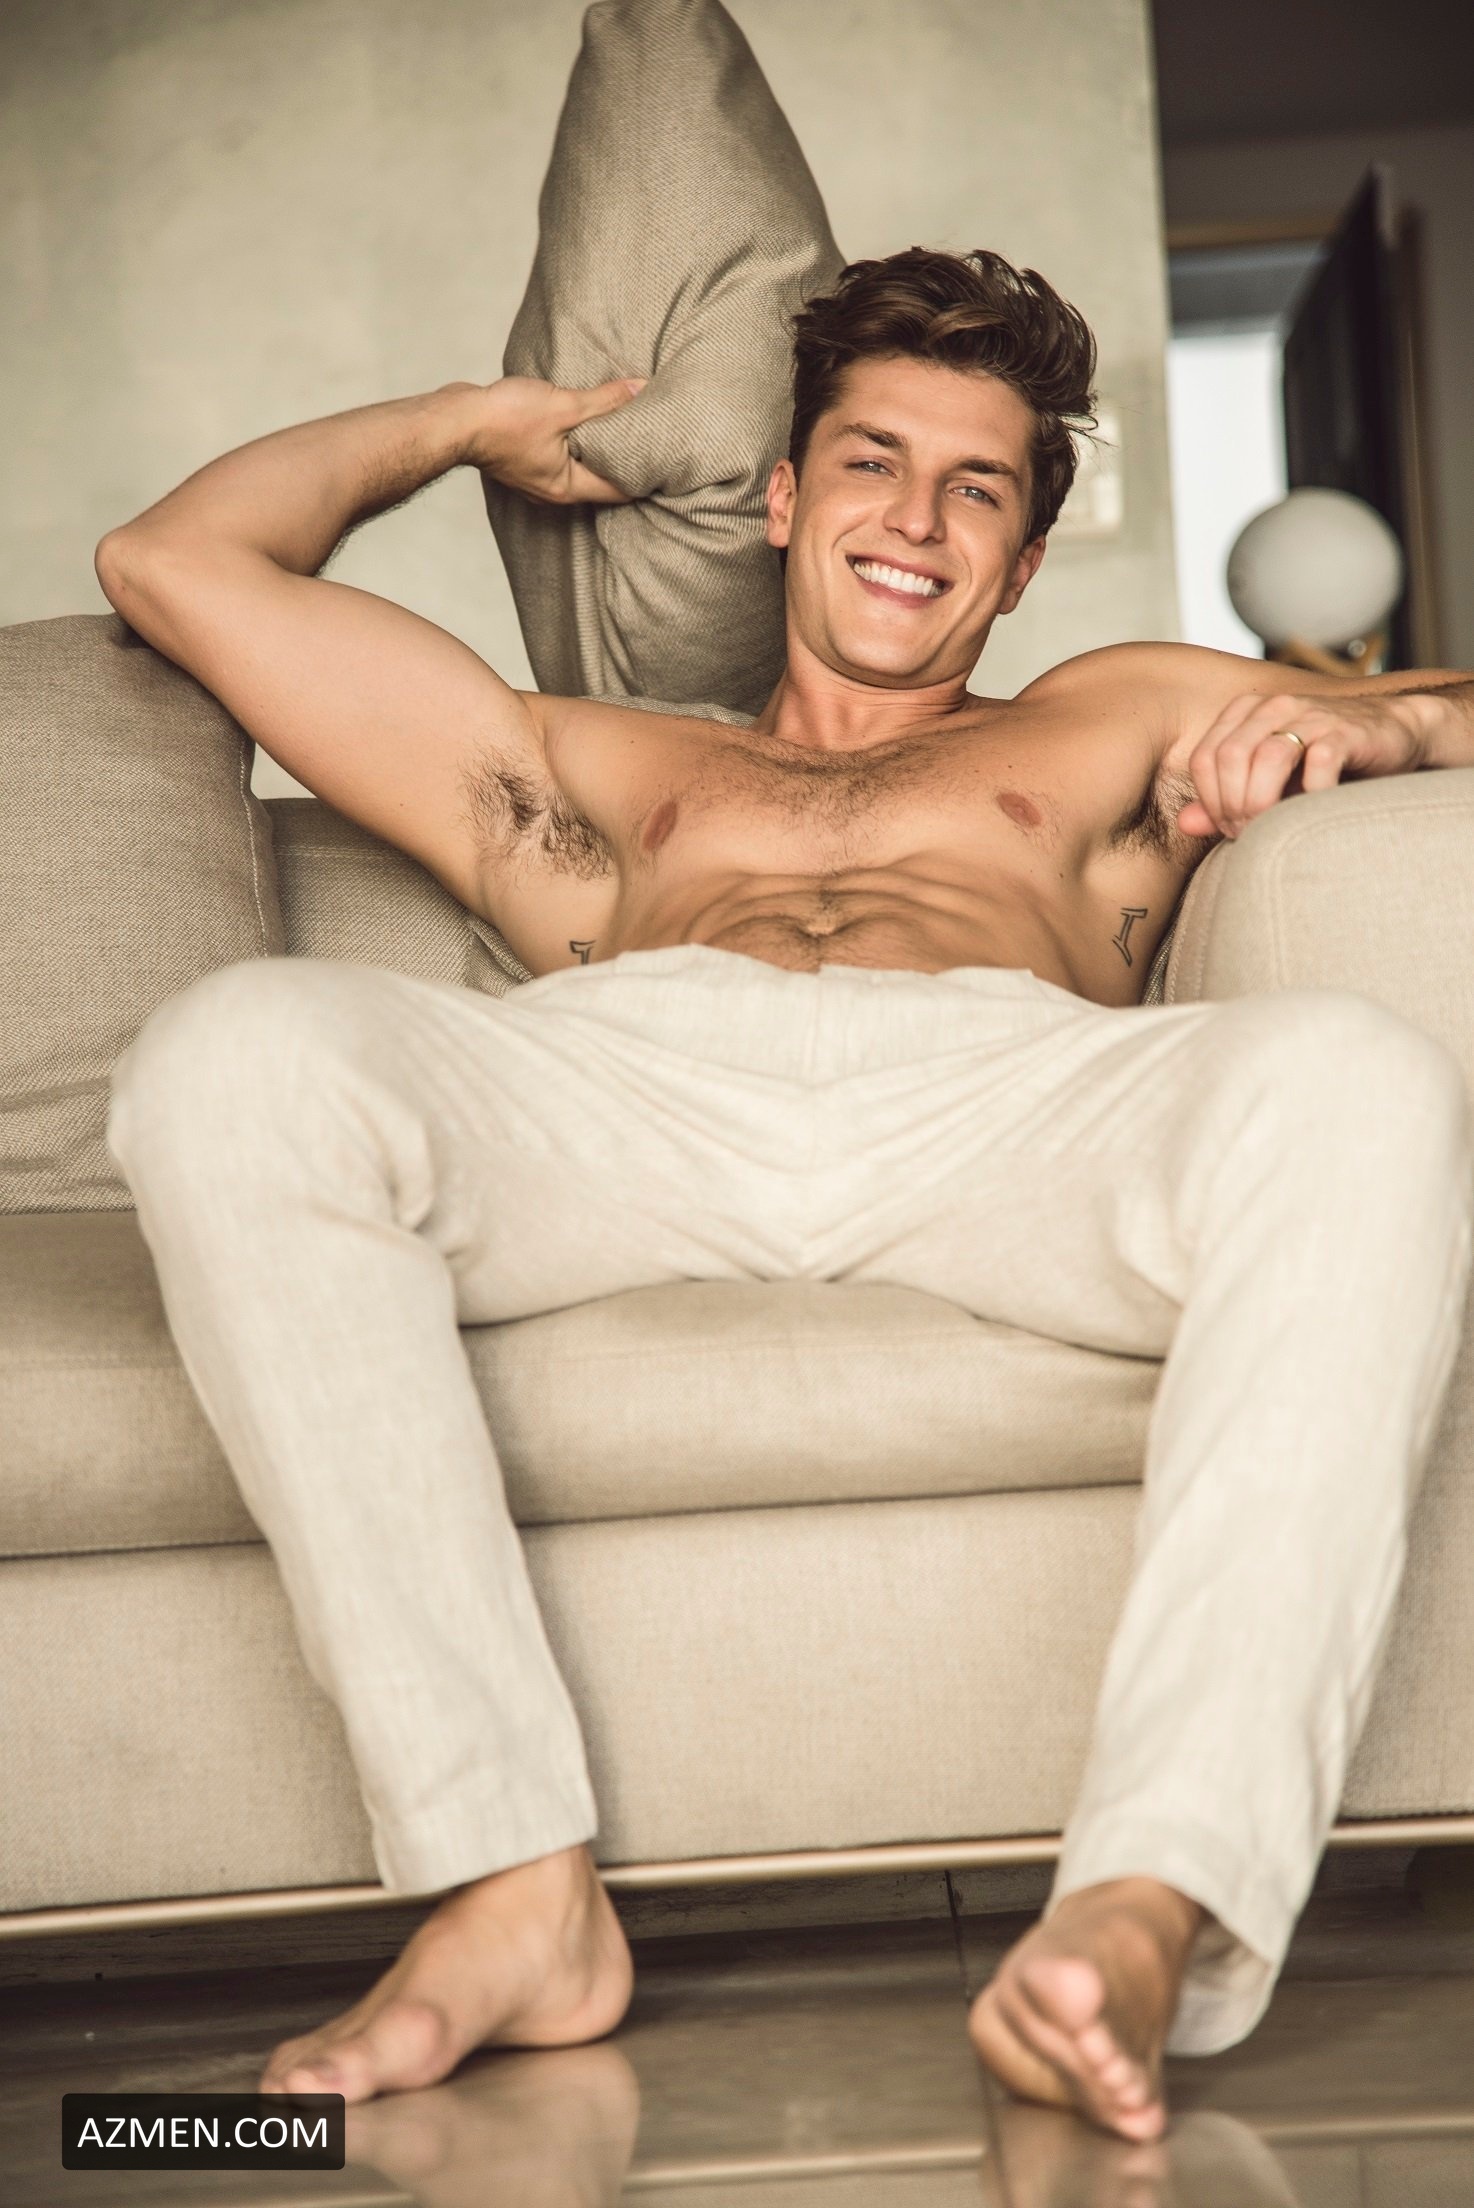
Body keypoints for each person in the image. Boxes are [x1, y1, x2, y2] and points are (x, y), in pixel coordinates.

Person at [96, 245, 1474, 2139]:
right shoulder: (587, 760)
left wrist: (1390, 726)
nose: (912, 520)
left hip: (1006, 1094)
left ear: (1019, 563)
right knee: (231, 1050)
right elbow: (172, 566)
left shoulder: (1110, 710)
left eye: (973, 490)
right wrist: (466, 428)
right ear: (781, 497)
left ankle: (1151, 1901)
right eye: (870, 463)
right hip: (635, 1082)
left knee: (1362, 1079)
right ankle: (509, 1888)